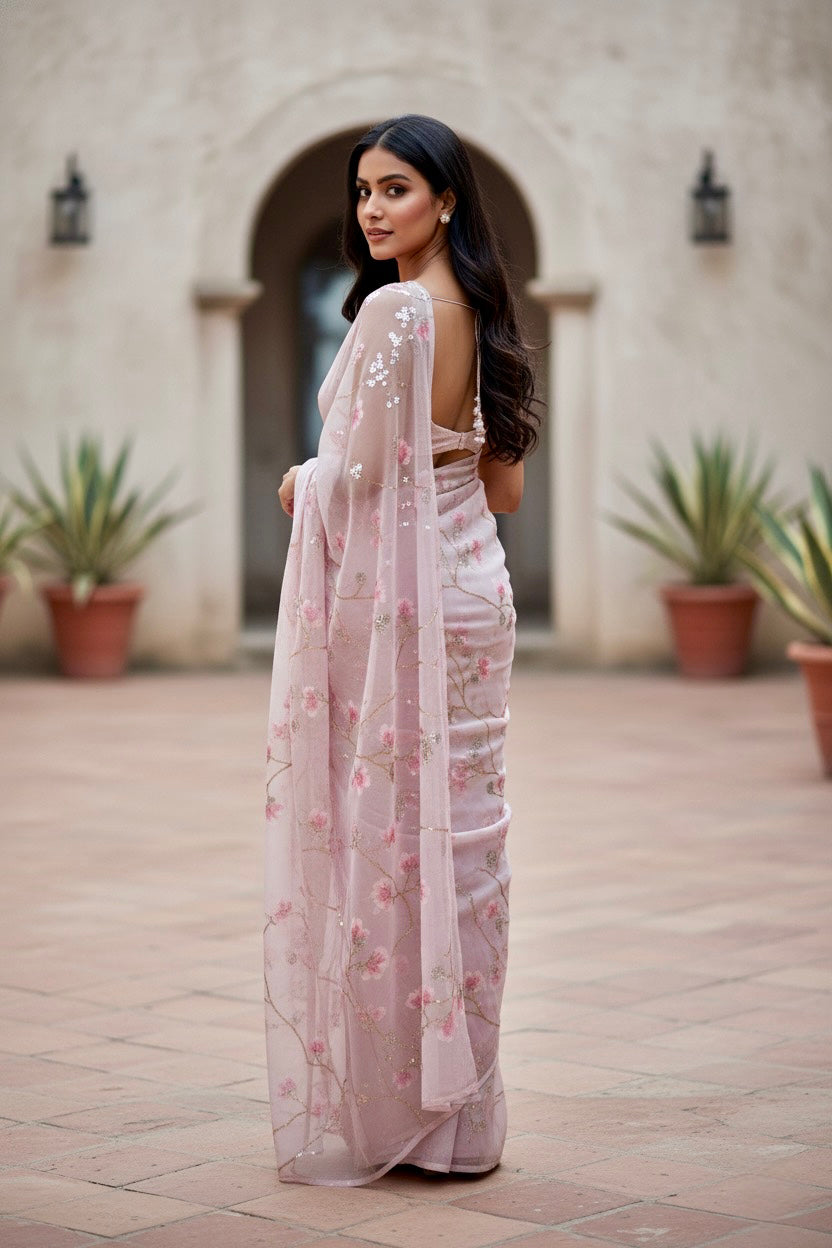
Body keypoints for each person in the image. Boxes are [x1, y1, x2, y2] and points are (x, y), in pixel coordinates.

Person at [264, 113, 541, 1186]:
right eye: (364, 192)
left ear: (445, 200)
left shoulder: (394, 313)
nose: (374, 210)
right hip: (477, 596)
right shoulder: (485, 316)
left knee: (399, 843)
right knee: (465, 849)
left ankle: (416, 1119)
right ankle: (465, 1119)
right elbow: (501, 488)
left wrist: (304, 480)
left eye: (395, 190)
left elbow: (363, 477)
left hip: (414, 611)